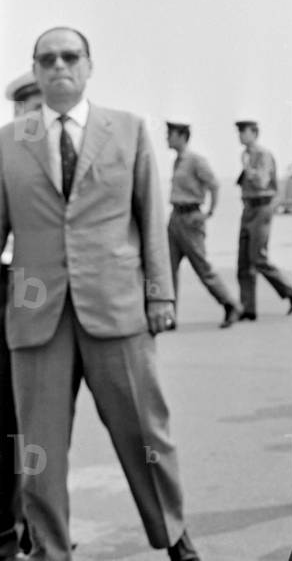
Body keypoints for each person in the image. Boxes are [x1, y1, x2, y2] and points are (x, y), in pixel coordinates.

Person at [0, 27, 200, 560]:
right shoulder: (6, 141)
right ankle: (50, 550)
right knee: (39, 448)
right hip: (36, 314)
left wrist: (160, 295)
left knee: (146, 434)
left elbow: (150, 220)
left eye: (70, 56)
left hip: (117, 307)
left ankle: (176, 537)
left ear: (89, 66)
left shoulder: (129, 130)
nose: (59, 66)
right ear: (36, 70)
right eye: (47, 59)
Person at [1, 73, 42, 559]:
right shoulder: (5, 156)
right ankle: (12, 527)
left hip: (42, 303)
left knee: (34, 422)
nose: (31, 116)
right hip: (5, 292)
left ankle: (35, 519)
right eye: (24, 108)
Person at [166, 121, 241, 329]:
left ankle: (230, 303)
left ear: (181, 136)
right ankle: (168, 315)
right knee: (167, 268)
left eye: (170, 134)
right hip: (175, 217)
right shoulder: (178, 161)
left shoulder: (196, 160)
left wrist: (209, 212)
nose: (167, 138)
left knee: (202, 267)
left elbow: (214, 185)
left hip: (191, 218)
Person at [234, 120, 292, 320]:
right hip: (248, 208)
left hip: (262, 207)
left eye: (243, 132)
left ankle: (290, 291)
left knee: (258, 257)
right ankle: (248, 309)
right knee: (243, 262)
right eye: (239, 132)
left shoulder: (262, 155)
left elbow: (262, 181)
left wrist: (248, 169)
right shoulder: (245, 155)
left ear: (254, 133)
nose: (240, 136)